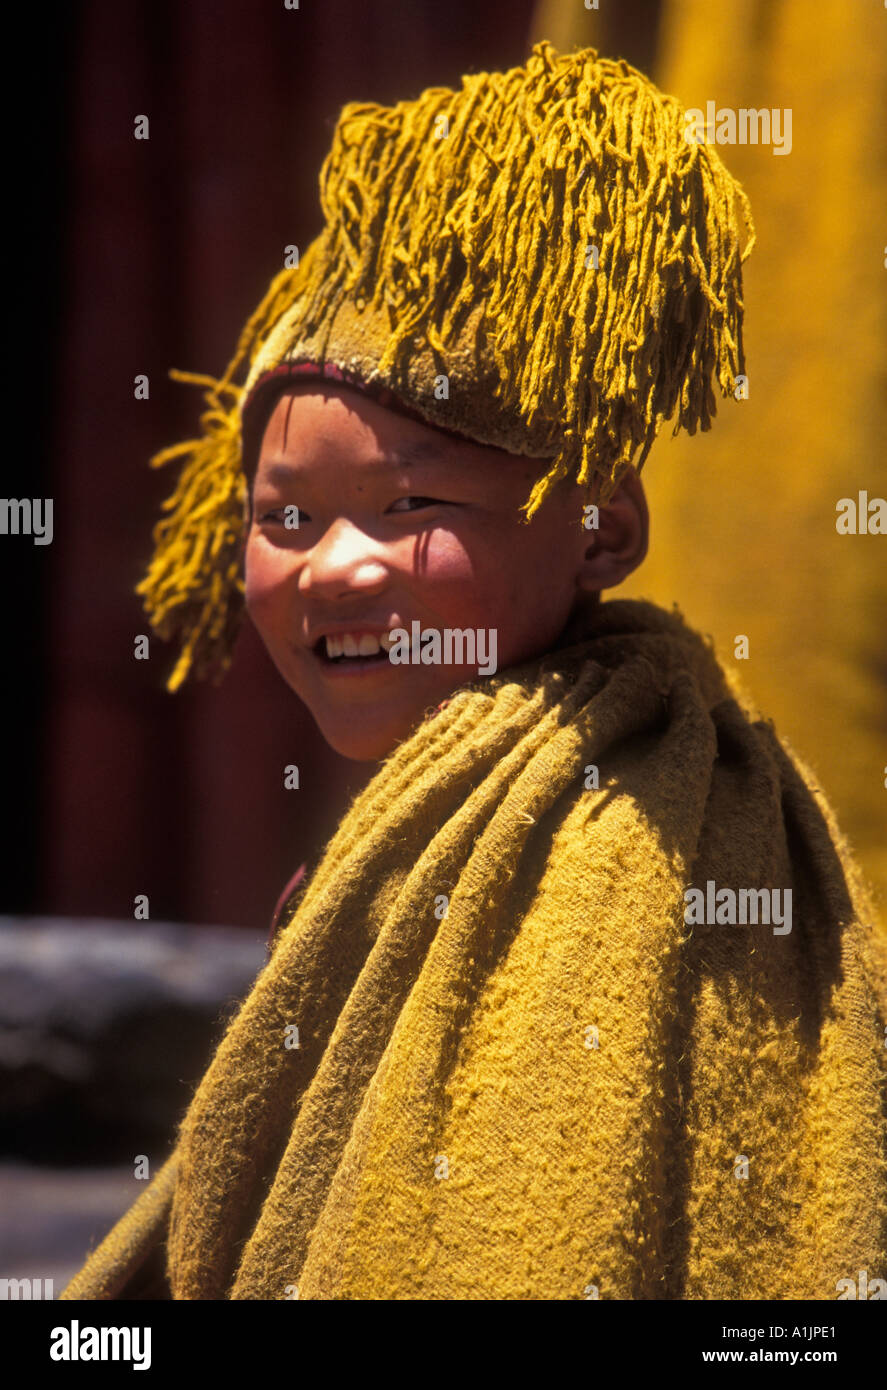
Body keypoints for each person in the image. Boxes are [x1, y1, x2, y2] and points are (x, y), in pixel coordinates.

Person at [61, 41, 886, 1301]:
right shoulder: (442, 808)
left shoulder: (634, 848)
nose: (333, 567)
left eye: (408, 505)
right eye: (284, 518)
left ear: (602, 529)